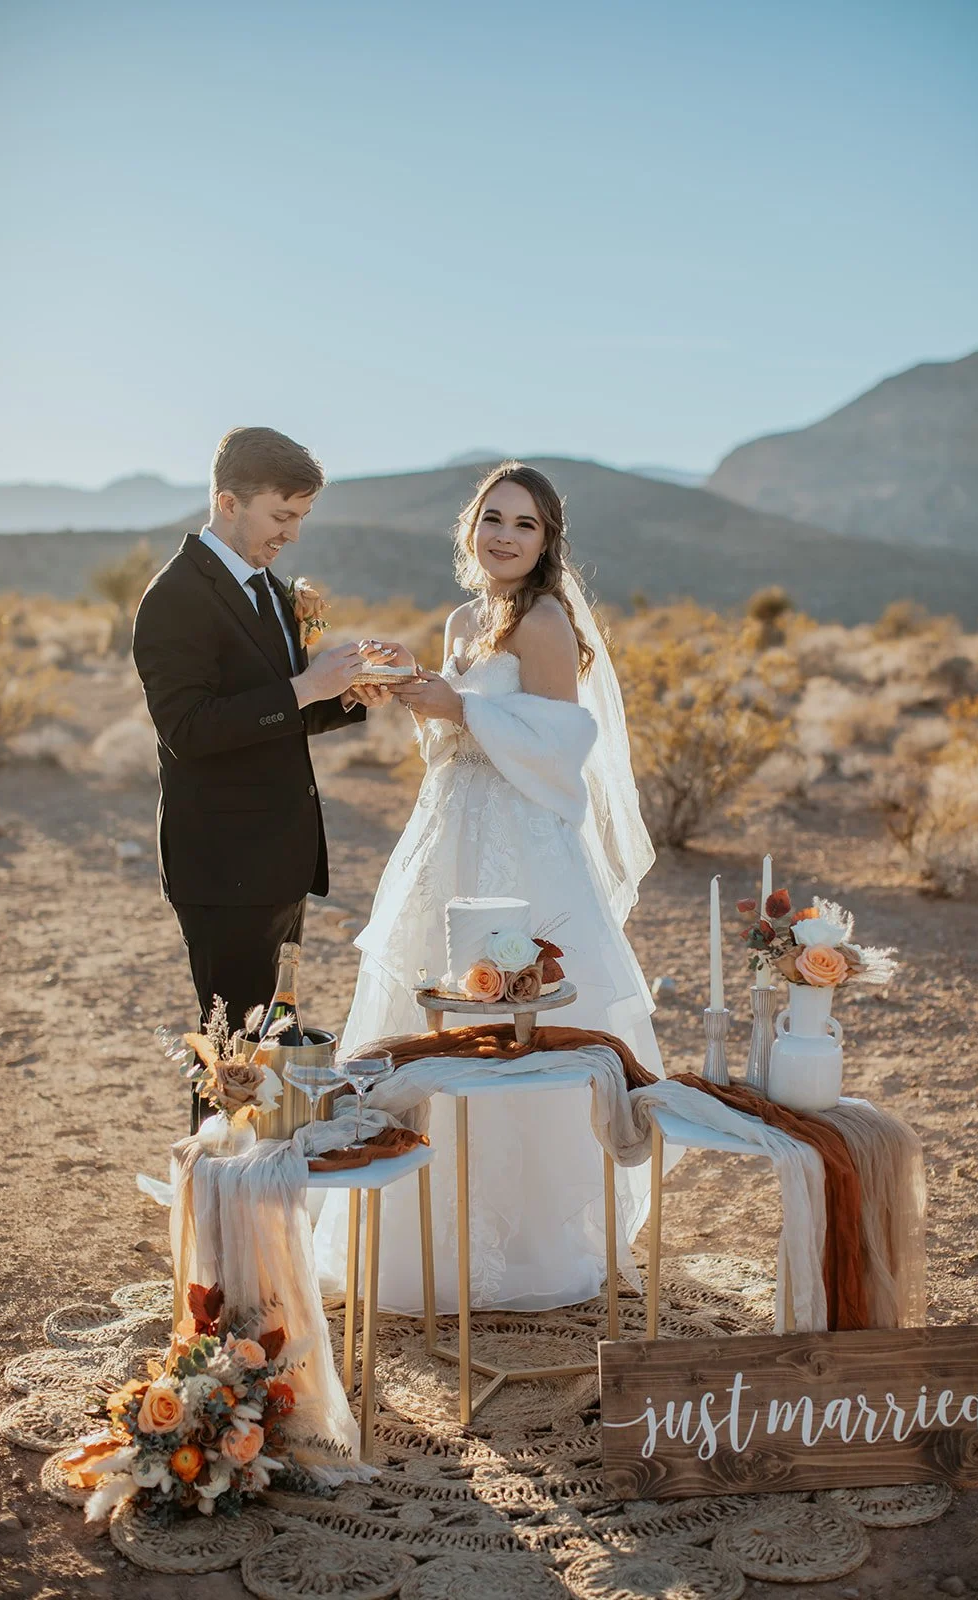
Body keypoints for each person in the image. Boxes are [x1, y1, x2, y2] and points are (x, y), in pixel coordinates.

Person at [312, 460, 665, 1314]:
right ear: (470, 527)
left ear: (546, 542)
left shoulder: (543, 621)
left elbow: (556, 742)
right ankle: (411, 1241)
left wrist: (459, 707)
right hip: (451, 826)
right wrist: (419, 692)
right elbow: (457, 730)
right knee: (429, 998)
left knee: (520, 1014)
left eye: (525, 525)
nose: (505, 537)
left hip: (521, 839)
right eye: (493, 519)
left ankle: (534, 1244)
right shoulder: (463, 618)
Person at [132, 426, 395, 1125]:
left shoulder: (270, 591)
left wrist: (342, 694)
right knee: (229, 1056)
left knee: (271, 1041)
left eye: (301, 518)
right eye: (283, 516)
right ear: (227, 501)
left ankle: (255, 1194)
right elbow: (186, 730)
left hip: (278, 858)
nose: (292, 535)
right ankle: (213, 1204)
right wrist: (303, 689)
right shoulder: (175, 596)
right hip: (221, 864)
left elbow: (279, 713)